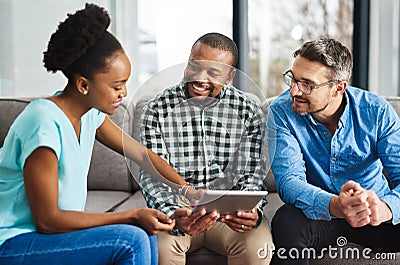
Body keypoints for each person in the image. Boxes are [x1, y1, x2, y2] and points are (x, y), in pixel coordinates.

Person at [0, 4, 201, 265]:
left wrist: (190, 193)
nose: (124, 94)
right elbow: (47, 220)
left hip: (47, 238)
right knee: (131, 240)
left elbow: (141, 154)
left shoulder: (90, 115)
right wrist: (130, 215)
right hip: (13, 242)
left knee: (145, 233)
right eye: (117, 86)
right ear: (84, 84)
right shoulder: (43, 123)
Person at [139, 32, 273, 265]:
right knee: (159, 248)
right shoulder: (157, 109)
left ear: (230, 76)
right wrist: (172, 213)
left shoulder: (248, 111)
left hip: (227, 211)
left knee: (257, 248)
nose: (200, 78)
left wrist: (252, 211)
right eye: (195, 66)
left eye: (213, 72)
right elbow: (151, 173)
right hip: (177, 209)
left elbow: (252, 173)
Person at [267, 38, 400, 264]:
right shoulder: (281, 112)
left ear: (338, 87)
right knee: (286, 220)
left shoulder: (376, 111)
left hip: (372, 214)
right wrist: (335, 205)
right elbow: (289, 180)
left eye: (307, 84)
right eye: (293, 79)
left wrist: (385, 207)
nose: (293, 91)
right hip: (320, 214)